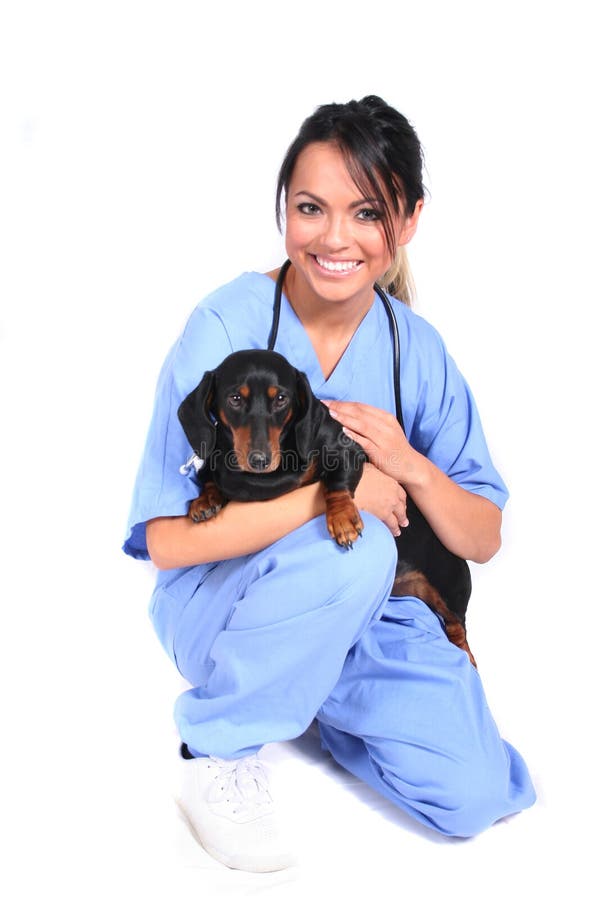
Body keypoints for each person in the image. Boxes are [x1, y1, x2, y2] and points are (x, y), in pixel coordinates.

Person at [123, 95, 536, 872]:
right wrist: (330, 496)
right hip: (228, 600)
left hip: (374, 617)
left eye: (367, 213)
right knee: (358, 546)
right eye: (311, 208)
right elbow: (166, 543)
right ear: (285, 208)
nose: (335, 238)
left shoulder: (415, 350)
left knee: (474, 797)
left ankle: (315, 695)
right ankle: (216, 746)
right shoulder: (226, 328)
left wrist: (406, 465)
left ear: (407, 221)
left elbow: (482, 535)